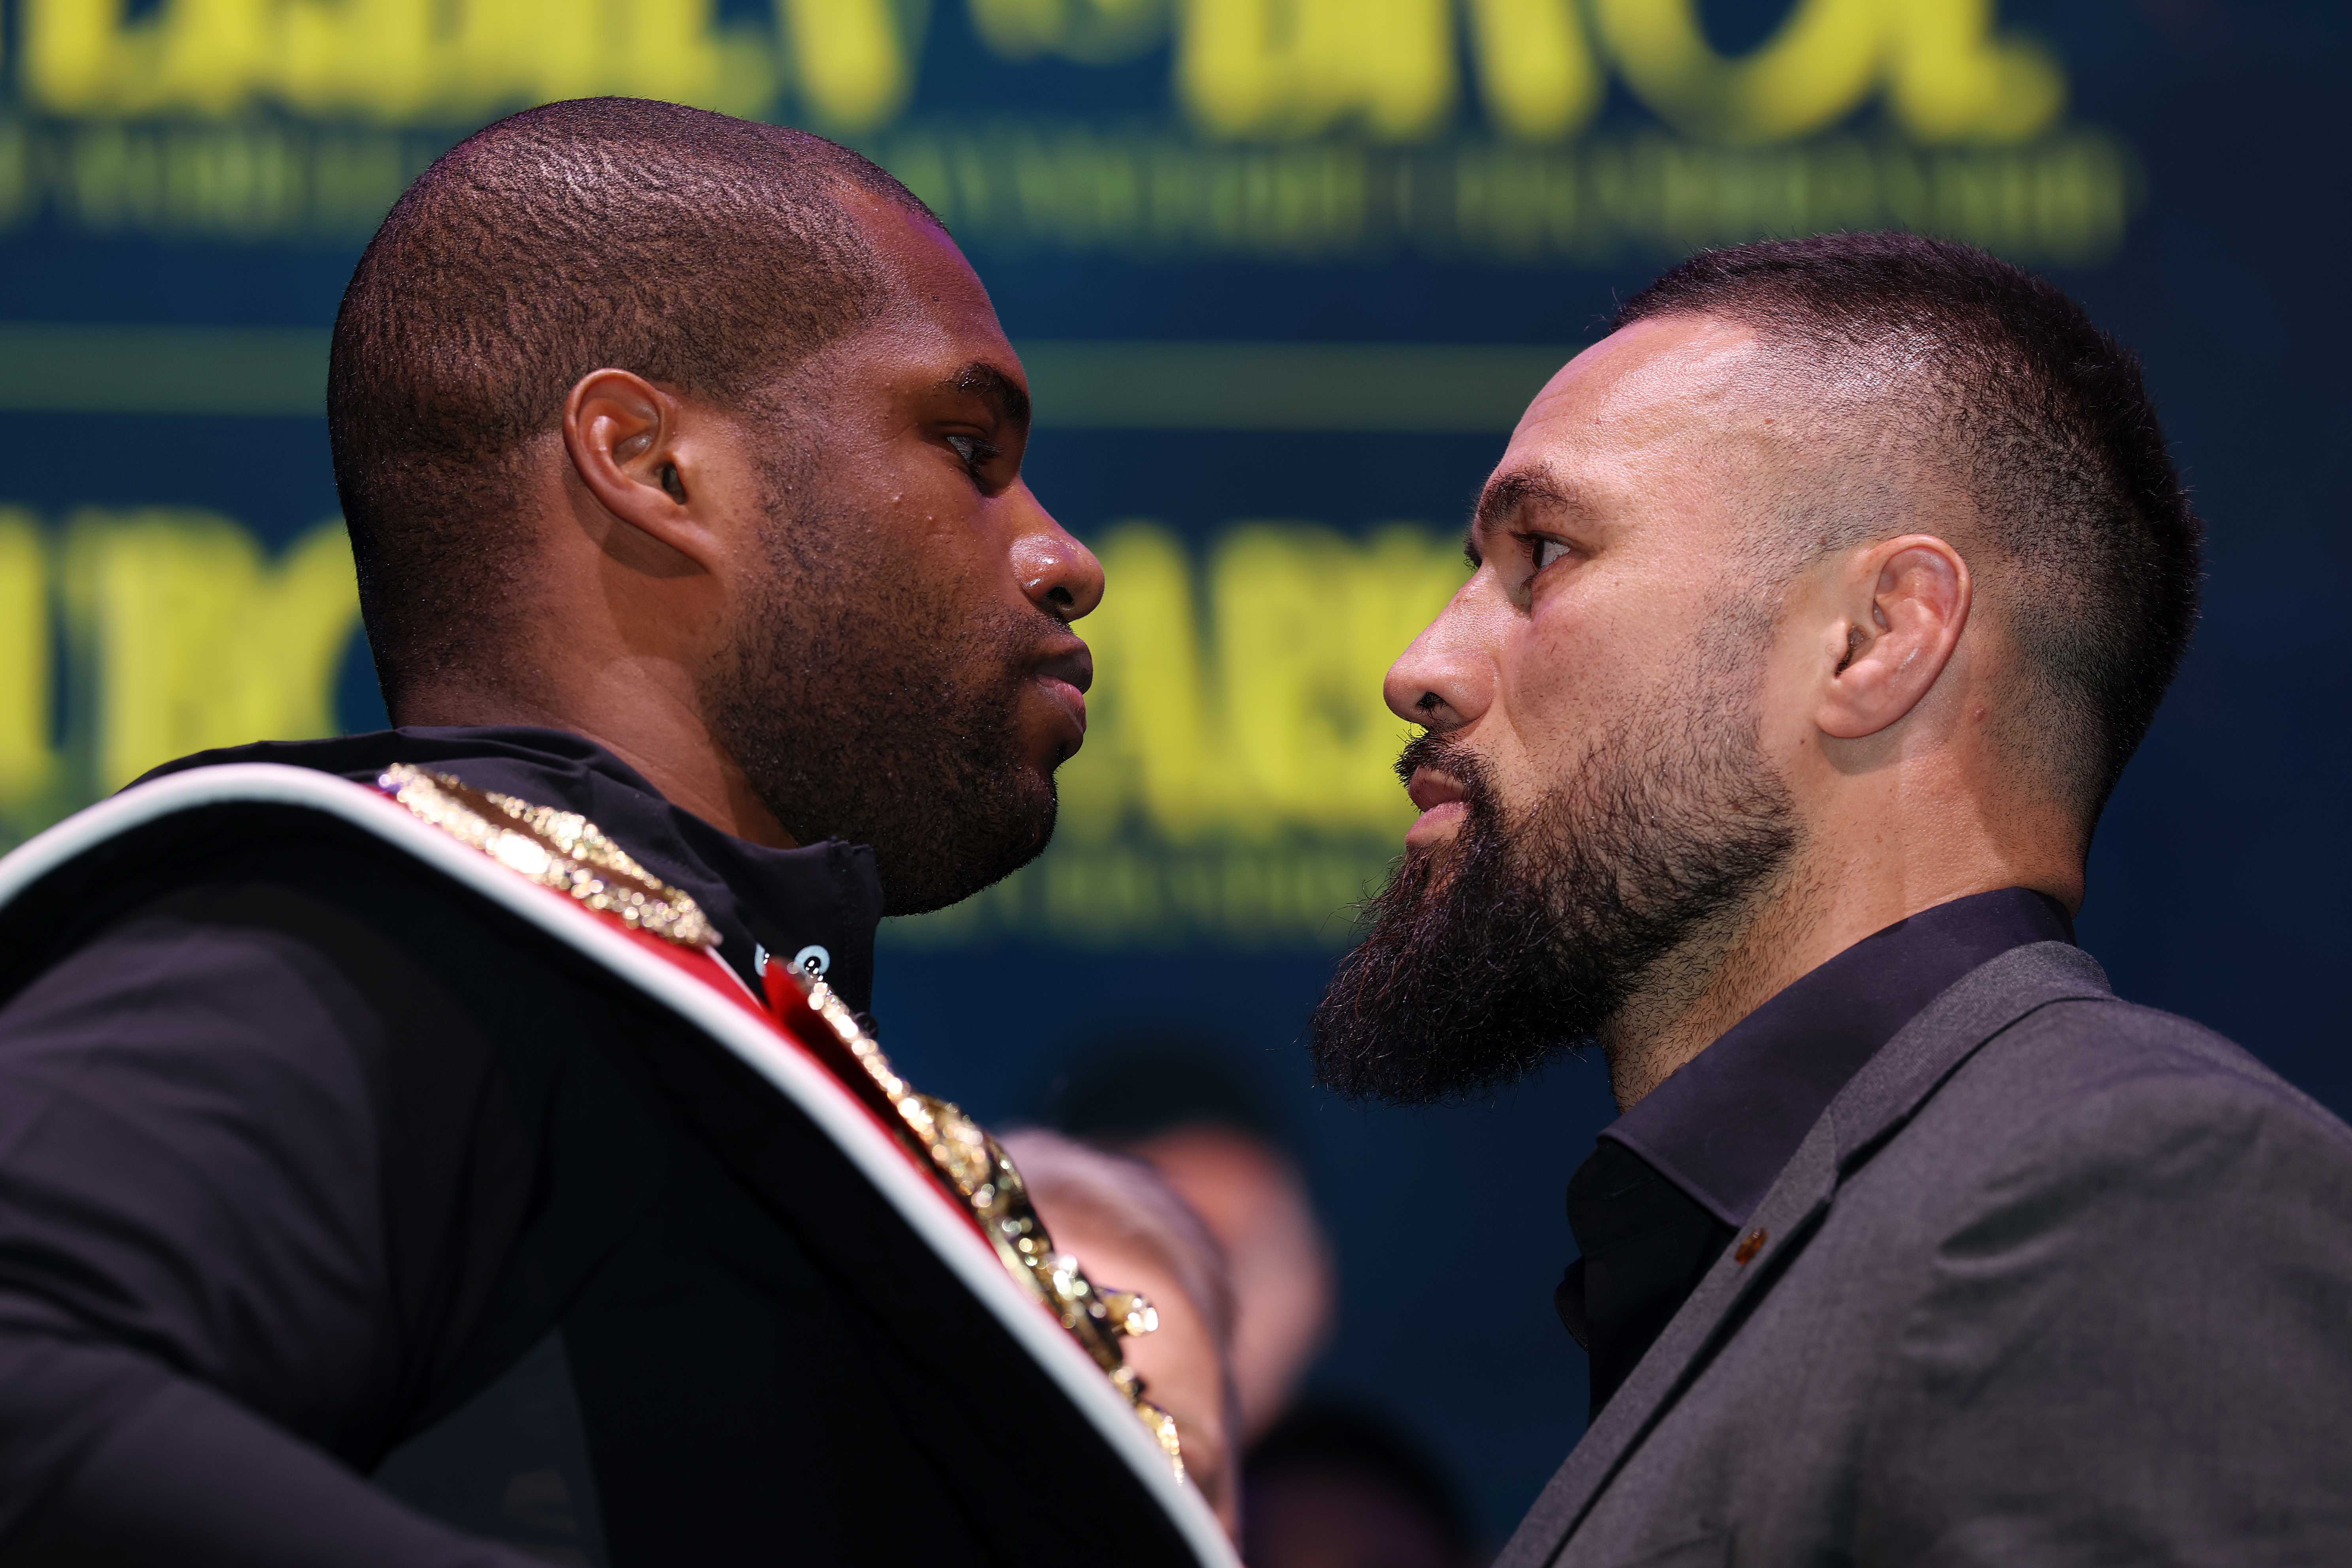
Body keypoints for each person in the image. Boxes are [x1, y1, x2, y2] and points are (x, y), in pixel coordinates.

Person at [0, 98, 1230, 1567]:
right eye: (967, 446)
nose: (1063, 554)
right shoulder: (382, 946)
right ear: (650, 465)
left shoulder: (689, 1025)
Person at [1309, 232, 2352, 1563]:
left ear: (1876, 640)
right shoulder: (1799, 1233)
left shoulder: (2123, 1193)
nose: (1422, 666)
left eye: (1545, 555)